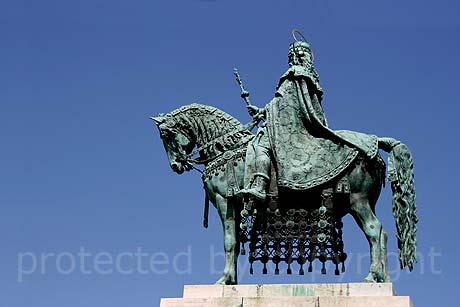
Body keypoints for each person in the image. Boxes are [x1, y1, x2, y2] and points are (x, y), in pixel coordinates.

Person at [241, 35, 379, 201]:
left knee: (261, 145)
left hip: (292, 128)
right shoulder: (310, 77)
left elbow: (283, 103)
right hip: (303, 125)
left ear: (295, 56)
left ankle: (260, 187)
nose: (290, 60)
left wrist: (264, 111)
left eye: (291, 57)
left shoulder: (294, 74)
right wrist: (262, 111)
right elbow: (288, 104)